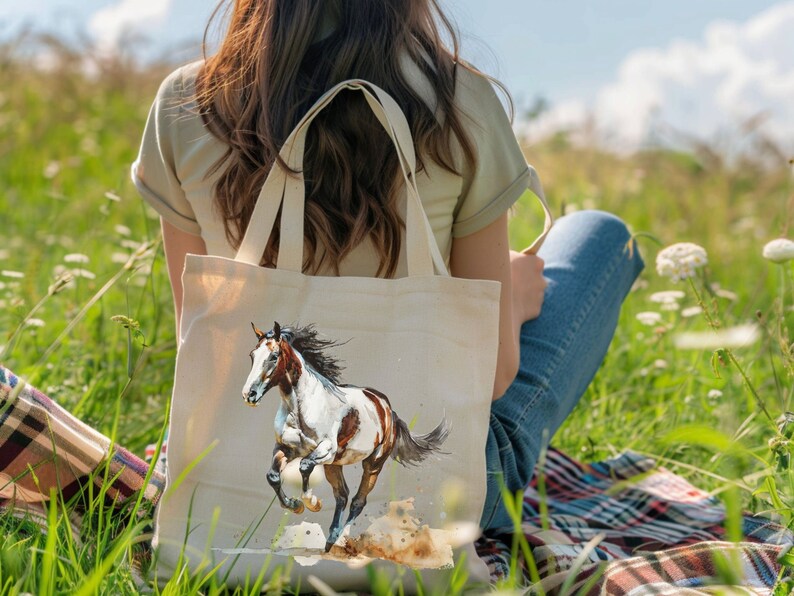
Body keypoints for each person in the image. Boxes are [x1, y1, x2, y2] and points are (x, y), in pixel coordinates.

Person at [0, 0, 642, 559]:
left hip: (233, 479)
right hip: (423, 490)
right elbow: (495, 373)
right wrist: (513, 294)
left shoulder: (186, 104)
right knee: (601, 235)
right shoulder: (460, 104)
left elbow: (210, 343)